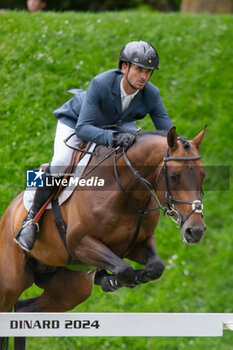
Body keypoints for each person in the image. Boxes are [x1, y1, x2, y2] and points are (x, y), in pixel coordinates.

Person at [14, 40, 173, 252]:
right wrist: (113, 138)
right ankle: (31, 221)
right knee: (61, 163)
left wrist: (183, 147)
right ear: (124, 67)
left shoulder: (151, 93)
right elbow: (83, 129)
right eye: (139, 70)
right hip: (78, 121)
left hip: (117, 125)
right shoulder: (101, 83)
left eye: (149, 72)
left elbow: (167, 132)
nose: (144, 76)